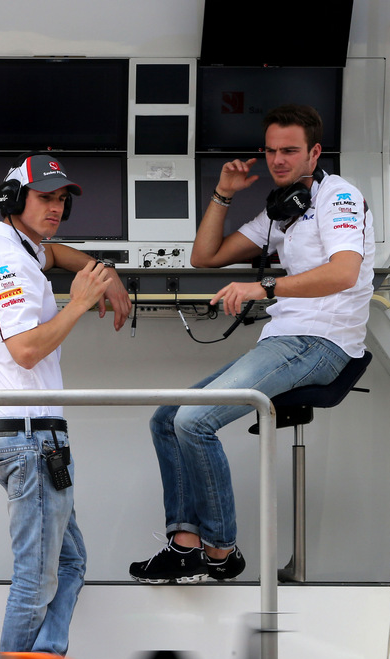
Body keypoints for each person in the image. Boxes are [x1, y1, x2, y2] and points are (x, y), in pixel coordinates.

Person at [130, 104, 374, 584]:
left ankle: (219, 552)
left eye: (290, 151)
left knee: (194, 422)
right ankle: (185, 547)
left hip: (321, 342)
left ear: (315, 153)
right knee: (166, 419)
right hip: (284, 339)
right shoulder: (281, 209)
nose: (278, 160)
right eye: (271, 151)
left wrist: (263, 289)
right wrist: (223, 193)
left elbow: (344, 272)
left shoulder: (339, 196)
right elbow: (206, 256)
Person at [0, 154, 130, 655]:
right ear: (15, 201)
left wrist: (103, 271)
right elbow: (26, 349)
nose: (55, 208)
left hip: (30, 435)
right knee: (35, 581)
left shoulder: (24, 249)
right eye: (44, 198)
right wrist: (80, 302)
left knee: (71, 563)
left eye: (61, 200)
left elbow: (54, 255)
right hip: (28, 438)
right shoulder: (8, 260)